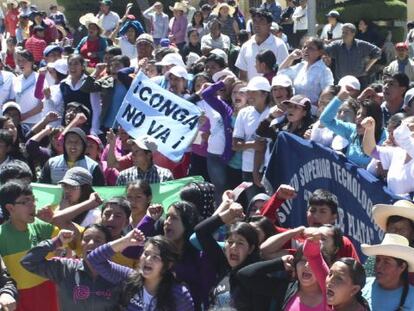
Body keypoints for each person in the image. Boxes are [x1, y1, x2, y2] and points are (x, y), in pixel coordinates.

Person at [87, 231, 194, 310]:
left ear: (168, 265)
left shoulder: (179, 294)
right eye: (146, 254)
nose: (147, 260)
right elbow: (94, 259)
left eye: (155, 257)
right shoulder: (128, 277)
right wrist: (125, 241)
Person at [21, 225, 120, 311]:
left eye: (98, 240)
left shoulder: (118, 274)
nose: (90, 243)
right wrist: (57, 241)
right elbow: (28, 262)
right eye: (86, 239)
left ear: (108, 246)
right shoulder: (64, 268)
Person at [0, 181, 62, 311]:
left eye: (33, 200)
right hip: (16, 300)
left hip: (48, 293)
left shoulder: (42, 226)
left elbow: (67, 246)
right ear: (10, 208)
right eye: (25, 201)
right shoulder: (1, 235)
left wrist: (55, 220)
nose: (33, 205)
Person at [195, 202, 261, 309]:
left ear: (251, 249)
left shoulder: (255, 276)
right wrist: (229, 214)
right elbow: (200, 231)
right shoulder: (223, 266)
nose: (233, 247)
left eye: (240, 243)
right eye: (230, 242)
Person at [320, 85, 386, 168]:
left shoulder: (384, 137)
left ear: (374, 120)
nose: (359, 117)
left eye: (364, 115)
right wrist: (339, 98)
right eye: (358, 113)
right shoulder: (352, 130)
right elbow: (325, 120)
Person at [233, 76, 271, 202]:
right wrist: (254, 145)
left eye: (253, 92)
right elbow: (235, 145)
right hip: (248, 168)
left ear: (265, 94)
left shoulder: (273, 112)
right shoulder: (244, 113)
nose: (249, 95)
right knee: (253, 206)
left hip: (270, 168)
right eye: (248, 92)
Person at [304, 237, 369, 311]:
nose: (330, 281)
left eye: (339, 278)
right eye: (330, 274)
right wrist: (313, 238)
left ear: (354, 290)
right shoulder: (331, 289)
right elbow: (313, 255)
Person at [362, 115, 414, 197]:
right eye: (402, 126)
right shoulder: (397, 152)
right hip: (390, 206)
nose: (403, 129)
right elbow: (370, 150)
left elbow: (399, 135)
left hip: (407, 208)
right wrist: (369, 129)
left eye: (410, 128)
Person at [361, 233, 414, 310]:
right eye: (378, 260)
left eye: (386, 262)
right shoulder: (362, 286)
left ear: (402, 267)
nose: (378, 266)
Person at [278, 37, 334, 108]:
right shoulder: (301, 66)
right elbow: (280, 73)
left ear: (320, 52)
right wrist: (291, 57)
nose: (306, 50)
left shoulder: (324, 71)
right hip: (296, 111)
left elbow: (328, 94)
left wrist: (313, 107)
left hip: (312, 112)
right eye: (304, 47)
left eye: (310, 48)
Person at [235, 8, 288, 81]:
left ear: (269, 25)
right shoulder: (246, 46)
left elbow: (284, 72)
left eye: (261, 21)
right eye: (254, 21)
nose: (257, 24)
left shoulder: (279, 45)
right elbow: (243, 75)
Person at [39, 127, 105, 185]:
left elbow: (99, 192)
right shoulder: (51, 163)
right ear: (64, 144)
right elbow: (43, 189)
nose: (73, 146)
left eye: (77, 142)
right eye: (69, 142)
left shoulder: (93, 167)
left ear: (83, 145)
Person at [13, 49, 42, 126]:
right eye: (19, 60)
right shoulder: (16, 79)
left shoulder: (40, 78)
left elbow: (41, 105)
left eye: (24, 60)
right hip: (19, 123)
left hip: (35, 123)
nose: (21, 63)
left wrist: (24, 116)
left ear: (32, 62)